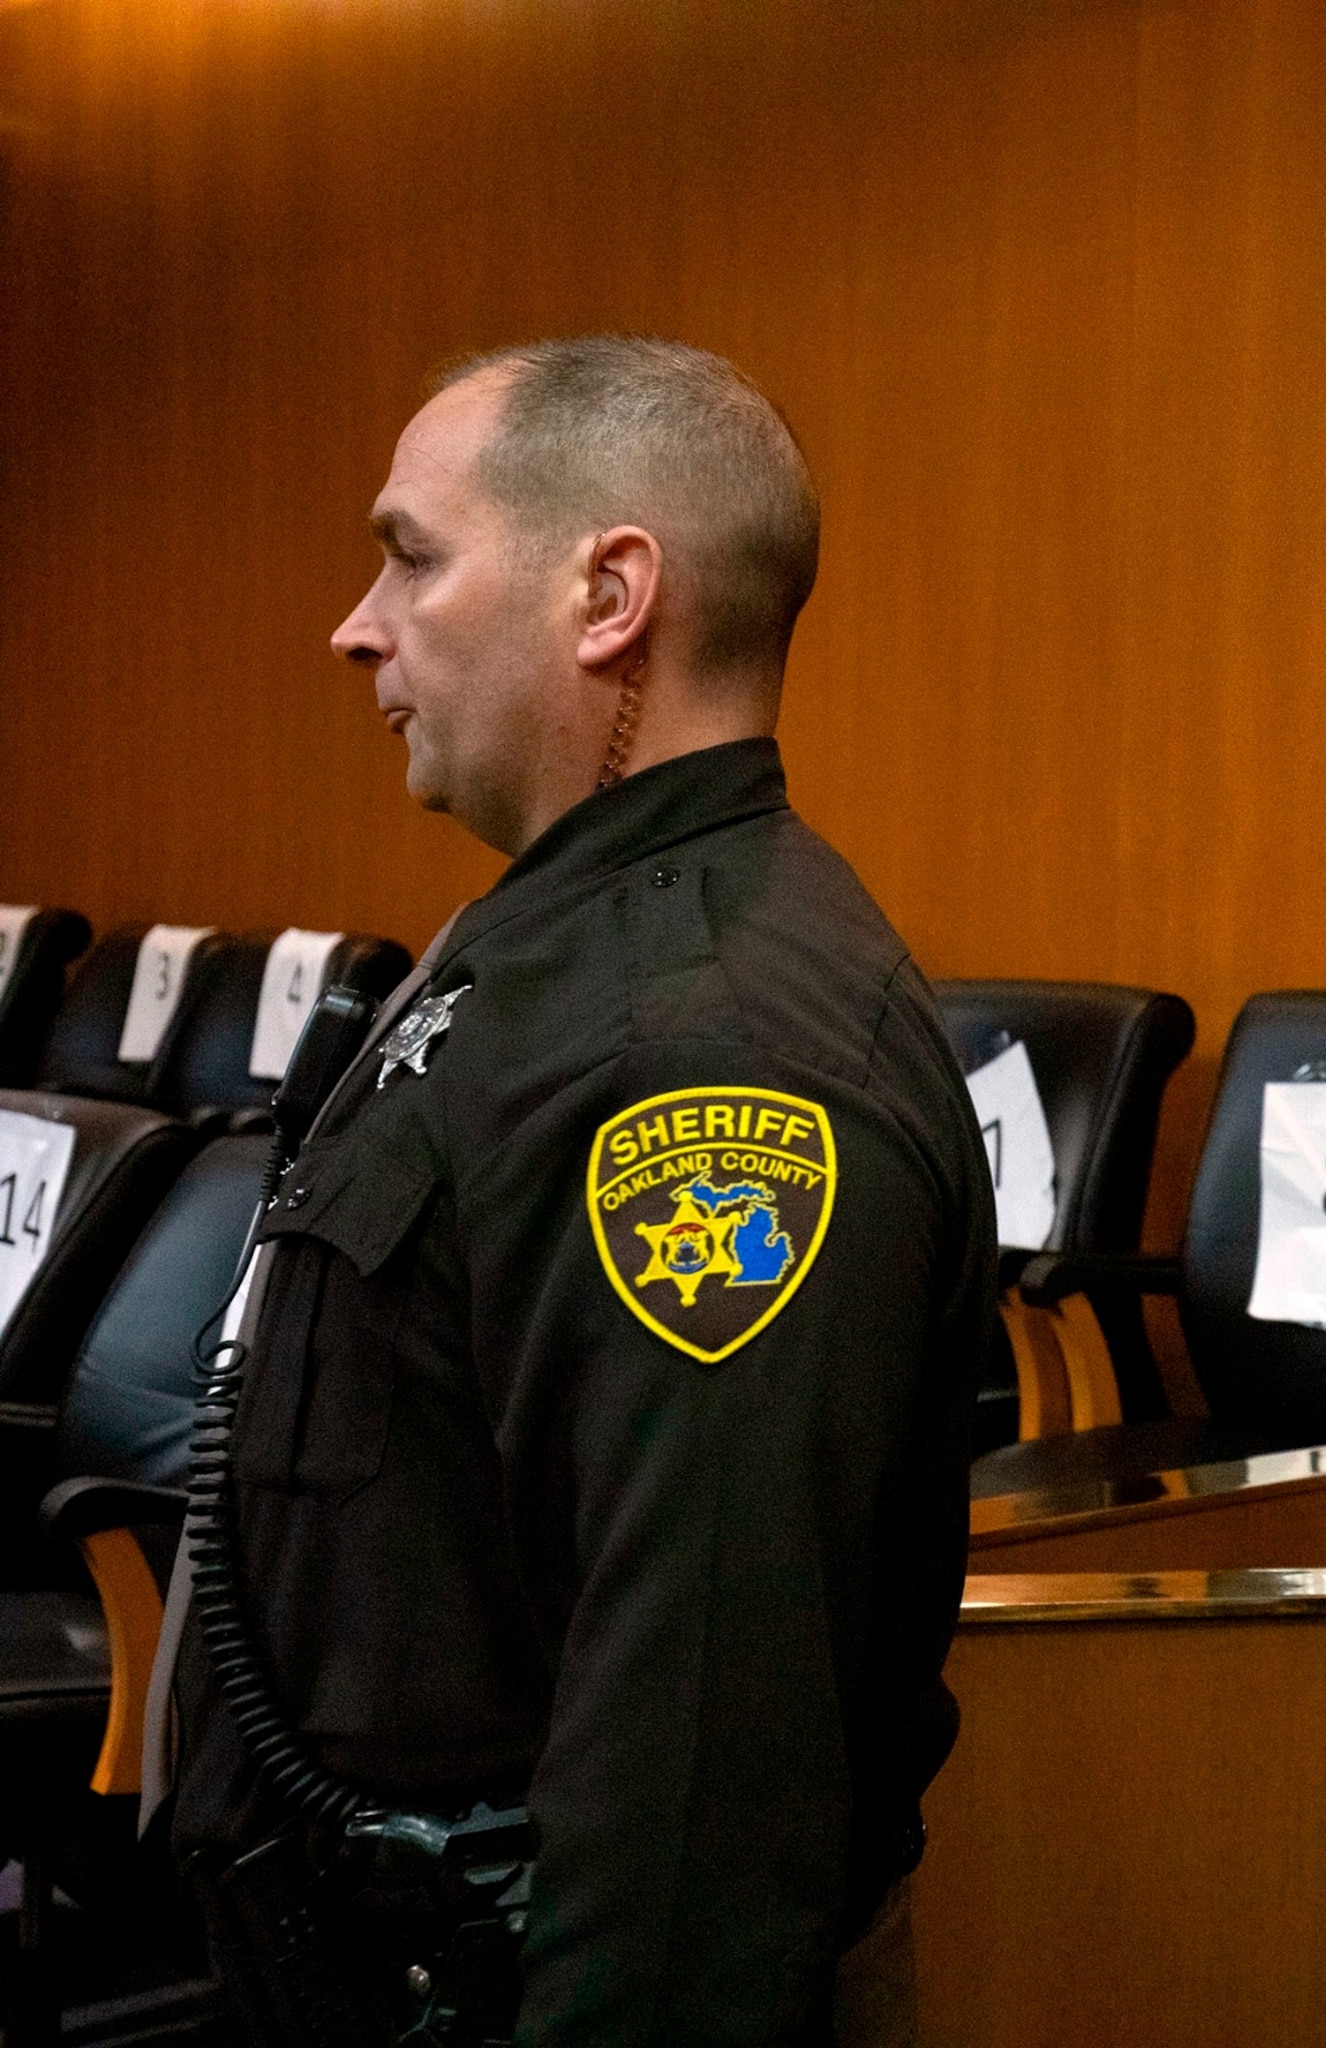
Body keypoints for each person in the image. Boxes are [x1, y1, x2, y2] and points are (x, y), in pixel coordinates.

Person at [157, 337, 997, 2045]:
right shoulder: (553, 945)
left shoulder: (704, 1053)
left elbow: (700, 1743)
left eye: (412, 553)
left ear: (611, 592)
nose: (358, 622)